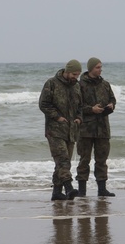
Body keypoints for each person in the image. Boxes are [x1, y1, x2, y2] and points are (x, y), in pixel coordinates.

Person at [39, 60, 83, 200]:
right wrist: (57, 117)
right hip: (54, 130)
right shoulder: (51, 83)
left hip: (71, 131)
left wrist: (79, 118)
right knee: (63, 160)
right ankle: (69, 188)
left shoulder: (76, 86)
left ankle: (57, 193)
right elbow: (43, 104)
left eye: (78, 75)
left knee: (63, 163)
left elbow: (81, 106)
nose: (76, 77)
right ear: (67, 71)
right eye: (74, 74)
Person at [76, 57, 117, 197]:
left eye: (101, 67)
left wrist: (111, 105)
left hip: (103, 128)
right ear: (91, 68)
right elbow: (76, 107)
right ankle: (82, 191)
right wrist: (91, 109)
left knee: (102, 160)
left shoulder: (105, 84)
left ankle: (102, 189)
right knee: (84, 160)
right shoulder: (80, 85)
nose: (100, 69)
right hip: (85, 129)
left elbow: (113, 99)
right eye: (98, 67)